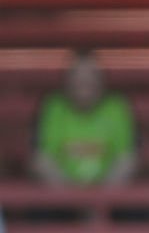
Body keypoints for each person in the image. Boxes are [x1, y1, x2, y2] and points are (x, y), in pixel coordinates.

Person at [32, 51, 137, 187]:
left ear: (102, 80)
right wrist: (72, 199)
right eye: (78, 76)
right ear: (67, 80)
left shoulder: (117, 107)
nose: (84, 82)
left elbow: (127, 160)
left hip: (111, 200)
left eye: (91, 76)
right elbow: (42, 160)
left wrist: (101, 199)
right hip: (59, 199)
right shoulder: (53, 107)